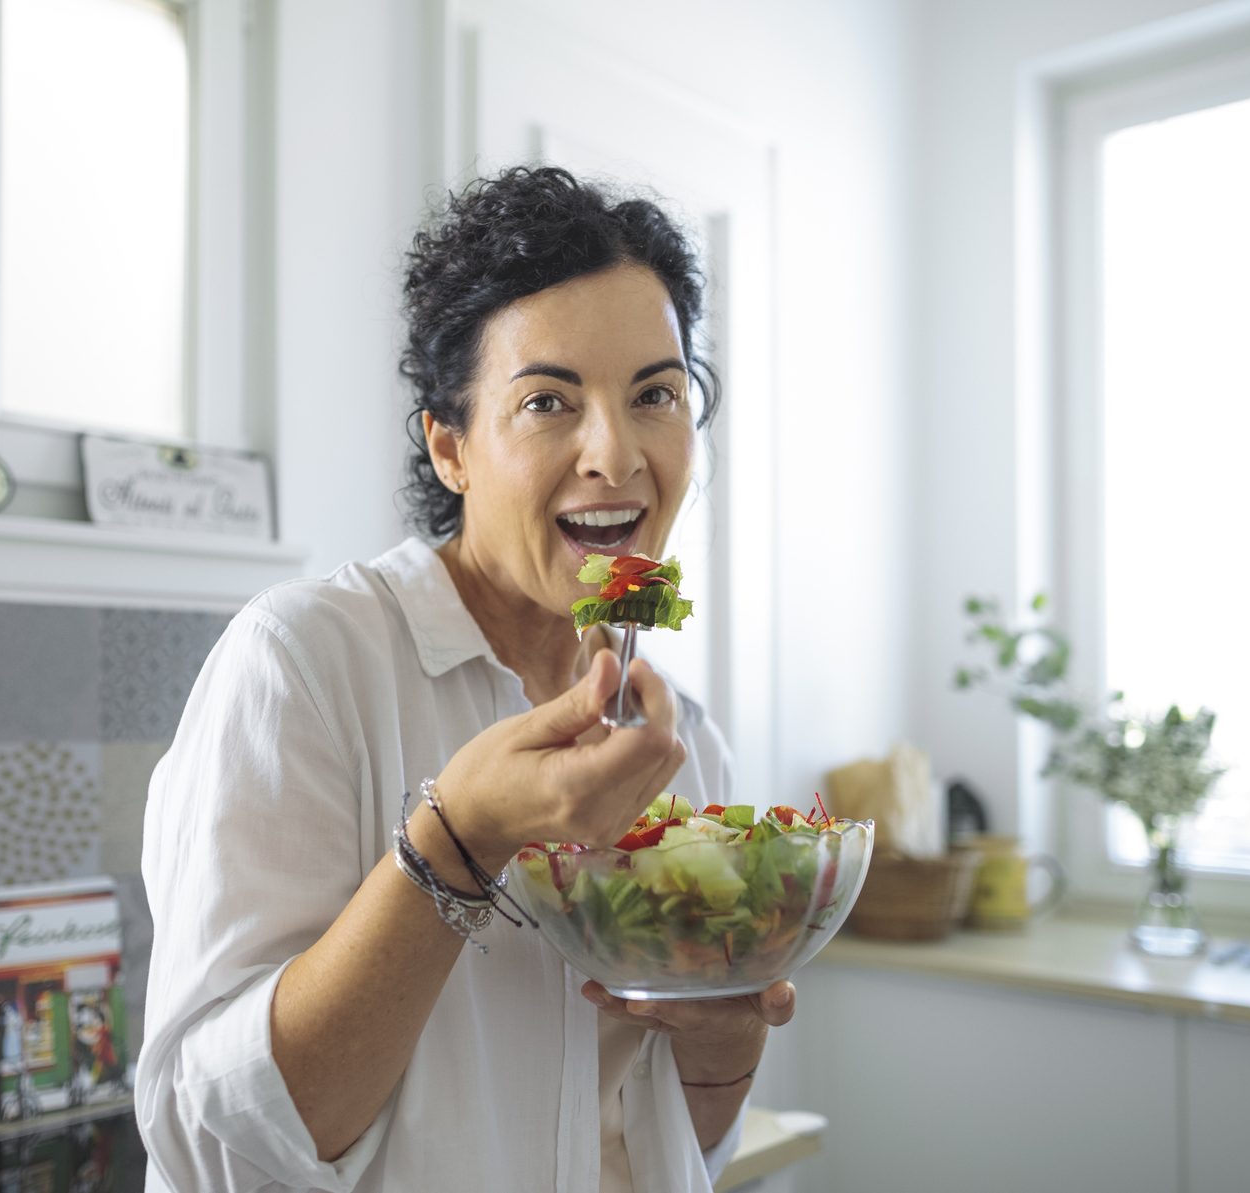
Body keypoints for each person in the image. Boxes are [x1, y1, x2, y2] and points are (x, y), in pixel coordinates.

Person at [138, 166, 795, 1192]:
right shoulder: (305, 661)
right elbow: (217, 1136)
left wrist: (723, 1038)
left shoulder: (682, 739)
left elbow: (669, 1138)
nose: (615, 454)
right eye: (548, 401)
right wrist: (461, 839)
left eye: (655, 394)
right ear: (451, 447)